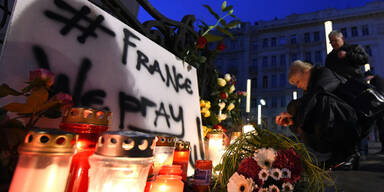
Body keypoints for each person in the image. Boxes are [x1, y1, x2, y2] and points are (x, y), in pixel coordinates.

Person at [276, 60, 360, 169]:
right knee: (298, 110)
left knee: (323, 101)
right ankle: (335, 157)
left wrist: (296, 115)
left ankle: (350, 155)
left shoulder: (324, 74)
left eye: (297, 81)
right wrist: (292, 119)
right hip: (339, 119)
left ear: (306, 71)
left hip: (350, 113)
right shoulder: (311, 87)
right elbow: (305, 105)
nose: (298, 86)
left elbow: (315, 98)